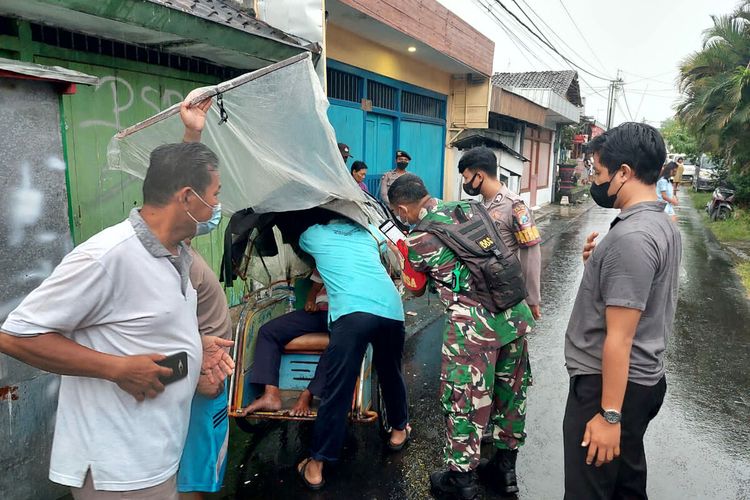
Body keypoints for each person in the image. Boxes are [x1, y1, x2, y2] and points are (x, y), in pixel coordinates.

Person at [0, 96, 234, 499]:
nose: (217, 206)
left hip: (156, 453)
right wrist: (116, 369)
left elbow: (143, 333)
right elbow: (15, 336)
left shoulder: (175, 252)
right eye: (214, 194)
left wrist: (196, 347)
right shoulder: (108, 257)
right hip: (118, 466)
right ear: (187, 199)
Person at [388, 174, 535, 499]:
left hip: (473, 330)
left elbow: (415, 288)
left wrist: (401, 252)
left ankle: (462, 480)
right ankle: (505, 469)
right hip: (513, 313)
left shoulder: (417, 240)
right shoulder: (470, 209)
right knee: (511, 394)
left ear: (402, 209)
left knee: (465, 400)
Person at [564, 122, 681, 499]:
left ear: (624, 173)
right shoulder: (659, 222)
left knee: (590, 491)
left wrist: (609, 415)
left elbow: (620, 336)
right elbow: (639, 298)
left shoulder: (633, 236)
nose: (594, 181)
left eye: (598, 173)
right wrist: (597, 270)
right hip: (637, 382)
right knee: (625, 487)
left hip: (610, 386)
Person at [294, 215, 410, 491]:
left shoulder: (313, 233)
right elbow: (388, 251)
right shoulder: (370, 231)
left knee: (338, 387)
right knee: (391, 373)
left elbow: (301, 248)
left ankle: (316, 466)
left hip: (353, 313)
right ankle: (398, 429)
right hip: (391, 309)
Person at [458, 146, 543, 321]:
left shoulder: (514, 206)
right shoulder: (481, 205)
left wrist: (532, 298)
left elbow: (531, 253)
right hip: (485, 293)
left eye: (466, 178)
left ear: (479, 176)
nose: (465, 184)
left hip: (508, 293)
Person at [178, 239, 233, 500]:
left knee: (199, 471)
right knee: (194, 476)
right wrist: (195, 374)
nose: (215, 206)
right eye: (213, 196)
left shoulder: (185, 251)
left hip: (208, 374)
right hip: (201, 380)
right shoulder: (174, 258)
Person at [241, 268, 329, 417]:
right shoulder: (327, 254)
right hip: (319, 312)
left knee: (341, 343)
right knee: (268, 332)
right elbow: (315, 289)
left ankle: (308, 394)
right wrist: (309, 302)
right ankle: (271, 395)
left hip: (346, 314)